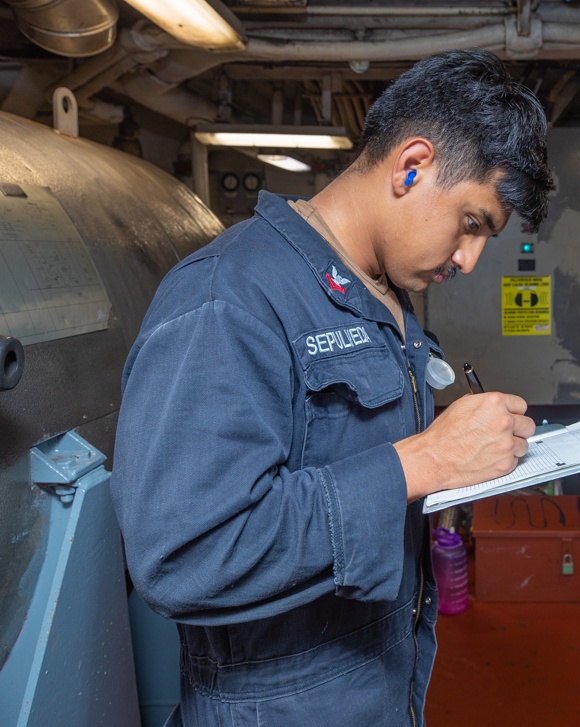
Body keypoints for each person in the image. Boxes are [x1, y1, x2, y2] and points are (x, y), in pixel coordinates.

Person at [111, 49, 553, 726]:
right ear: (413, 165)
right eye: (471, 223)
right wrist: (423, 460)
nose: (469, 259)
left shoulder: (380, 297)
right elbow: (184, 555)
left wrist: (459, 453)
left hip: (376, 691)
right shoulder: (227, 298)